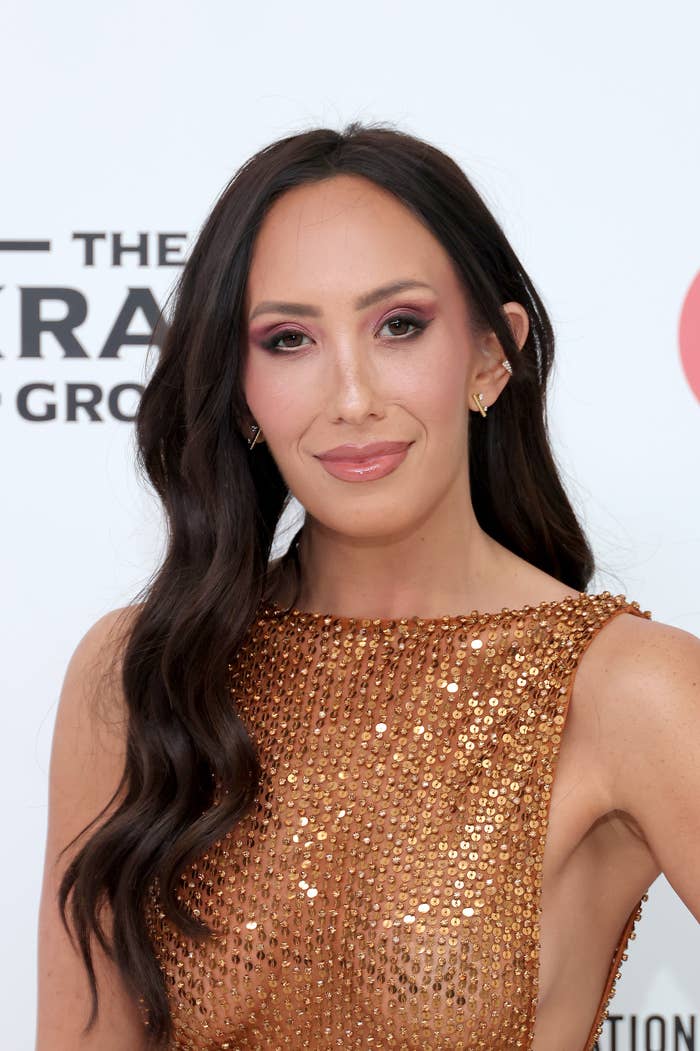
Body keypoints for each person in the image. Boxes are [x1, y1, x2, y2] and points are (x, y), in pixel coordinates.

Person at [36, 122, 700, 1051]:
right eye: (289, 338)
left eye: (398, 325)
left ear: (489, 354)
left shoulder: (629, 688)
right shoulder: (138, 672)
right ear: (239, 391)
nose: (351, 396)